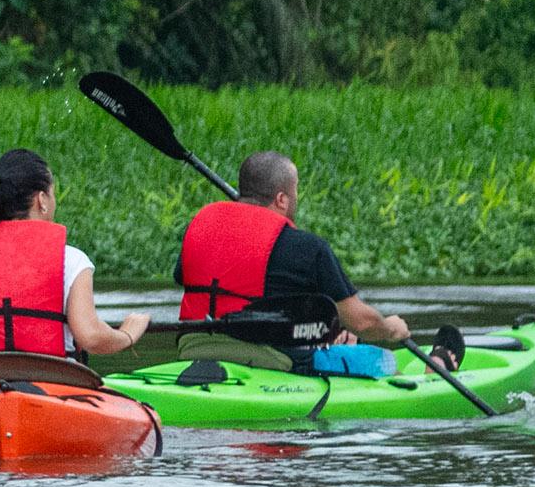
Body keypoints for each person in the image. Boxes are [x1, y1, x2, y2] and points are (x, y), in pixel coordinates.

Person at [170, 148, 422, 369]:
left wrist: (328, 331)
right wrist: (390, 328)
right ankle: (438, 366)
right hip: (266, 358)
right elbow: (363, 323)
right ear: (281, 198)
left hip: (193, 347)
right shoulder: (307, 247)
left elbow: (184, 276)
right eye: (296, 189)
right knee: (381, 360)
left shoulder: (204, 227)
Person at [0, 147, 143, 381]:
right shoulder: (71, 260)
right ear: (42, 200)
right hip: (56, 386)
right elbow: (91, 337)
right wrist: (126, 335)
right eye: (53, 193)